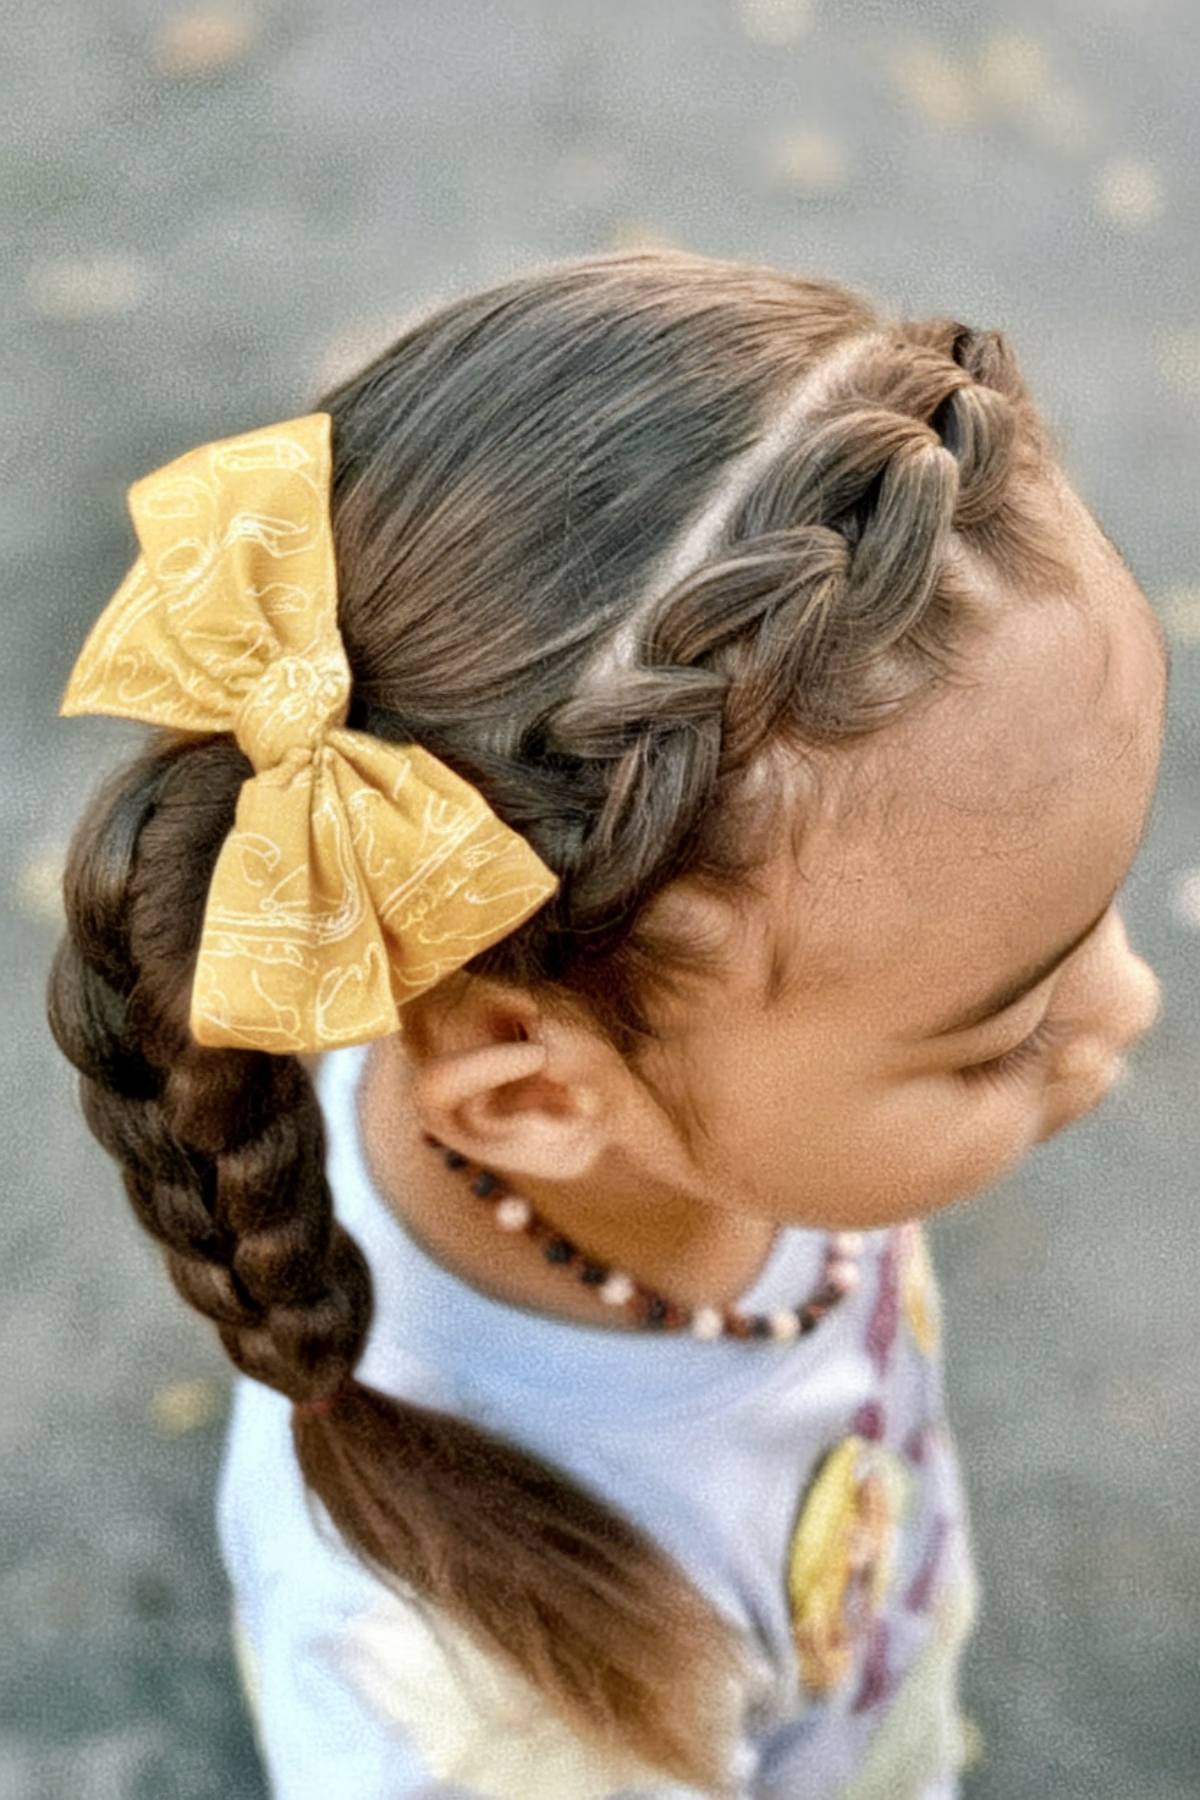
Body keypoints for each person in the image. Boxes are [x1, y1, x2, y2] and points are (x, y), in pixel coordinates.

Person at [49, 247, 1169, 1800]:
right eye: (998, 1034)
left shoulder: (634, 1026)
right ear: (530, 1100)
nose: (1133, 1006)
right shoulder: (470, 1696)